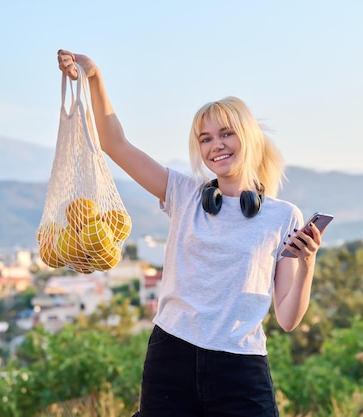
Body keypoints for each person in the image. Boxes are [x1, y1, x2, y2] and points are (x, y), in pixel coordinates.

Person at [57, 50, 323, 417]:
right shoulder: (184, 195)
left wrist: (307, 263)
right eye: (205, 138)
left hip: (240, 368)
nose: (216, 145)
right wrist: (95, 77)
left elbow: (289, 319)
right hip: (172, 357)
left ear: (248, 138)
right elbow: (114, 144)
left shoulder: (282, 217)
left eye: (226, 134)